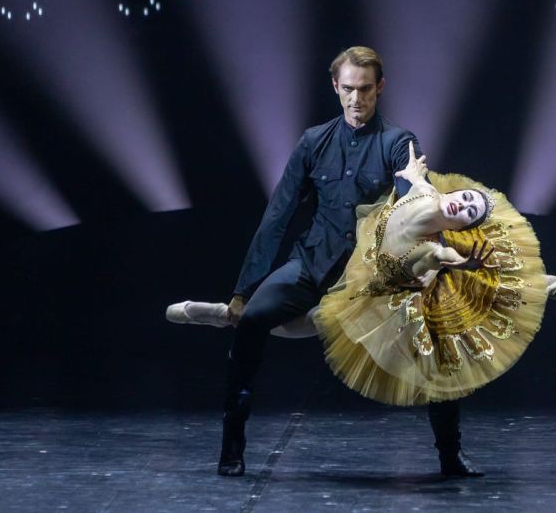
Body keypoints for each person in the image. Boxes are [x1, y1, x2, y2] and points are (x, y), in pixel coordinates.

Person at [186, 46, 488, 478]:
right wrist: (242, 290)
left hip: (372, 278)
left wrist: (431, 253)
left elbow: (417, 211)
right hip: (312, 265)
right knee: (251, 320)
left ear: (380, 88)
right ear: (335, 87)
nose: (356, 99)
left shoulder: (399, 143)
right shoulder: (313, 142)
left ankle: (450, 454)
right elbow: (277, 215)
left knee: (437, 337)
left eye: (365, 89)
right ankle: (231, 446)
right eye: (348, 89)